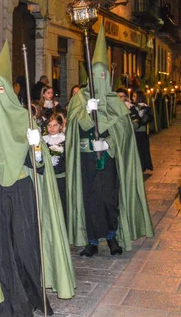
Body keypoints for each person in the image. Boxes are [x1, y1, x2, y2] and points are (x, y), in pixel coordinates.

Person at [0, 42, 75, 317]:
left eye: (1, 89)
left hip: (23, 191)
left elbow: (39, 166)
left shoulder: (24, 120)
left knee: (26, 246)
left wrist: (36, 147)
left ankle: (33, 296)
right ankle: (1, 302)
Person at [66, 24, 153, 258]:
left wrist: (108, 144)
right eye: (95, 74)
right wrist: (87, 110)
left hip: (107, 158)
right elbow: (74, 126)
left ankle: (112, 237)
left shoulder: (115, 101)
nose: (99, 78)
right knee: (89, 199)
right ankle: (92, 240)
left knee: (109, 197)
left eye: (103, 74)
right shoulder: (79, 99)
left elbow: (124, 134)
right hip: (85, 159)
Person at [43, 113, 67, 221]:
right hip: (48, 178)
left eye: (55, 125)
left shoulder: (66, 140)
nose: (51, 128)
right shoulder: (43, 141)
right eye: (49, 125)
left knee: (62, 203)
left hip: (62, 178)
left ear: (61, 126)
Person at [130, 91, 154, 171]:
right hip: (135, 133)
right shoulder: (132, 107)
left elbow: (145, 120)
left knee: (141, 151)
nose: (132, 98)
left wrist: (137, 119)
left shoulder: (145, 108)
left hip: (141, 133)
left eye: (134, 96)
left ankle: (142, 166)